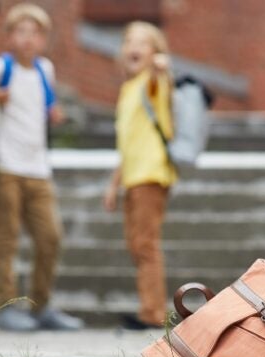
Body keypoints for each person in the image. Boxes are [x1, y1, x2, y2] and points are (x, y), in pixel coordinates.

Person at [0, 3, 82, 331]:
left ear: (43, 40)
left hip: (38, 168)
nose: (28, 39)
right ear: (10, 36)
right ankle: (7, 305)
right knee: (7, 238)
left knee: (50, 237)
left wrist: (55, 113)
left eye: (35, 33)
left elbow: (45, 106)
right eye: (21, 31)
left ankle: (41, 305)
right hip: (6, 168)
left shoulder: (46, 70)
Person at [103, 21, 176, 330]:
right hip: (132, 176)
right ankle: (150, 307)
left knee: (145, 244)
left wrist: (161, 66)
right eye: (129, 41)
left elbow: (163, 78)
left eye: (143, 43)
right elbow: (127, 143)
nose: (134, 47)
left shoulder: (151, 82)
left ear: (154, 52)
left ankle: (153, 312)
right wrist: (113, 184)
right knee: (136, 244)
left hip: (151, 173)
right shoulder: (128, 88)